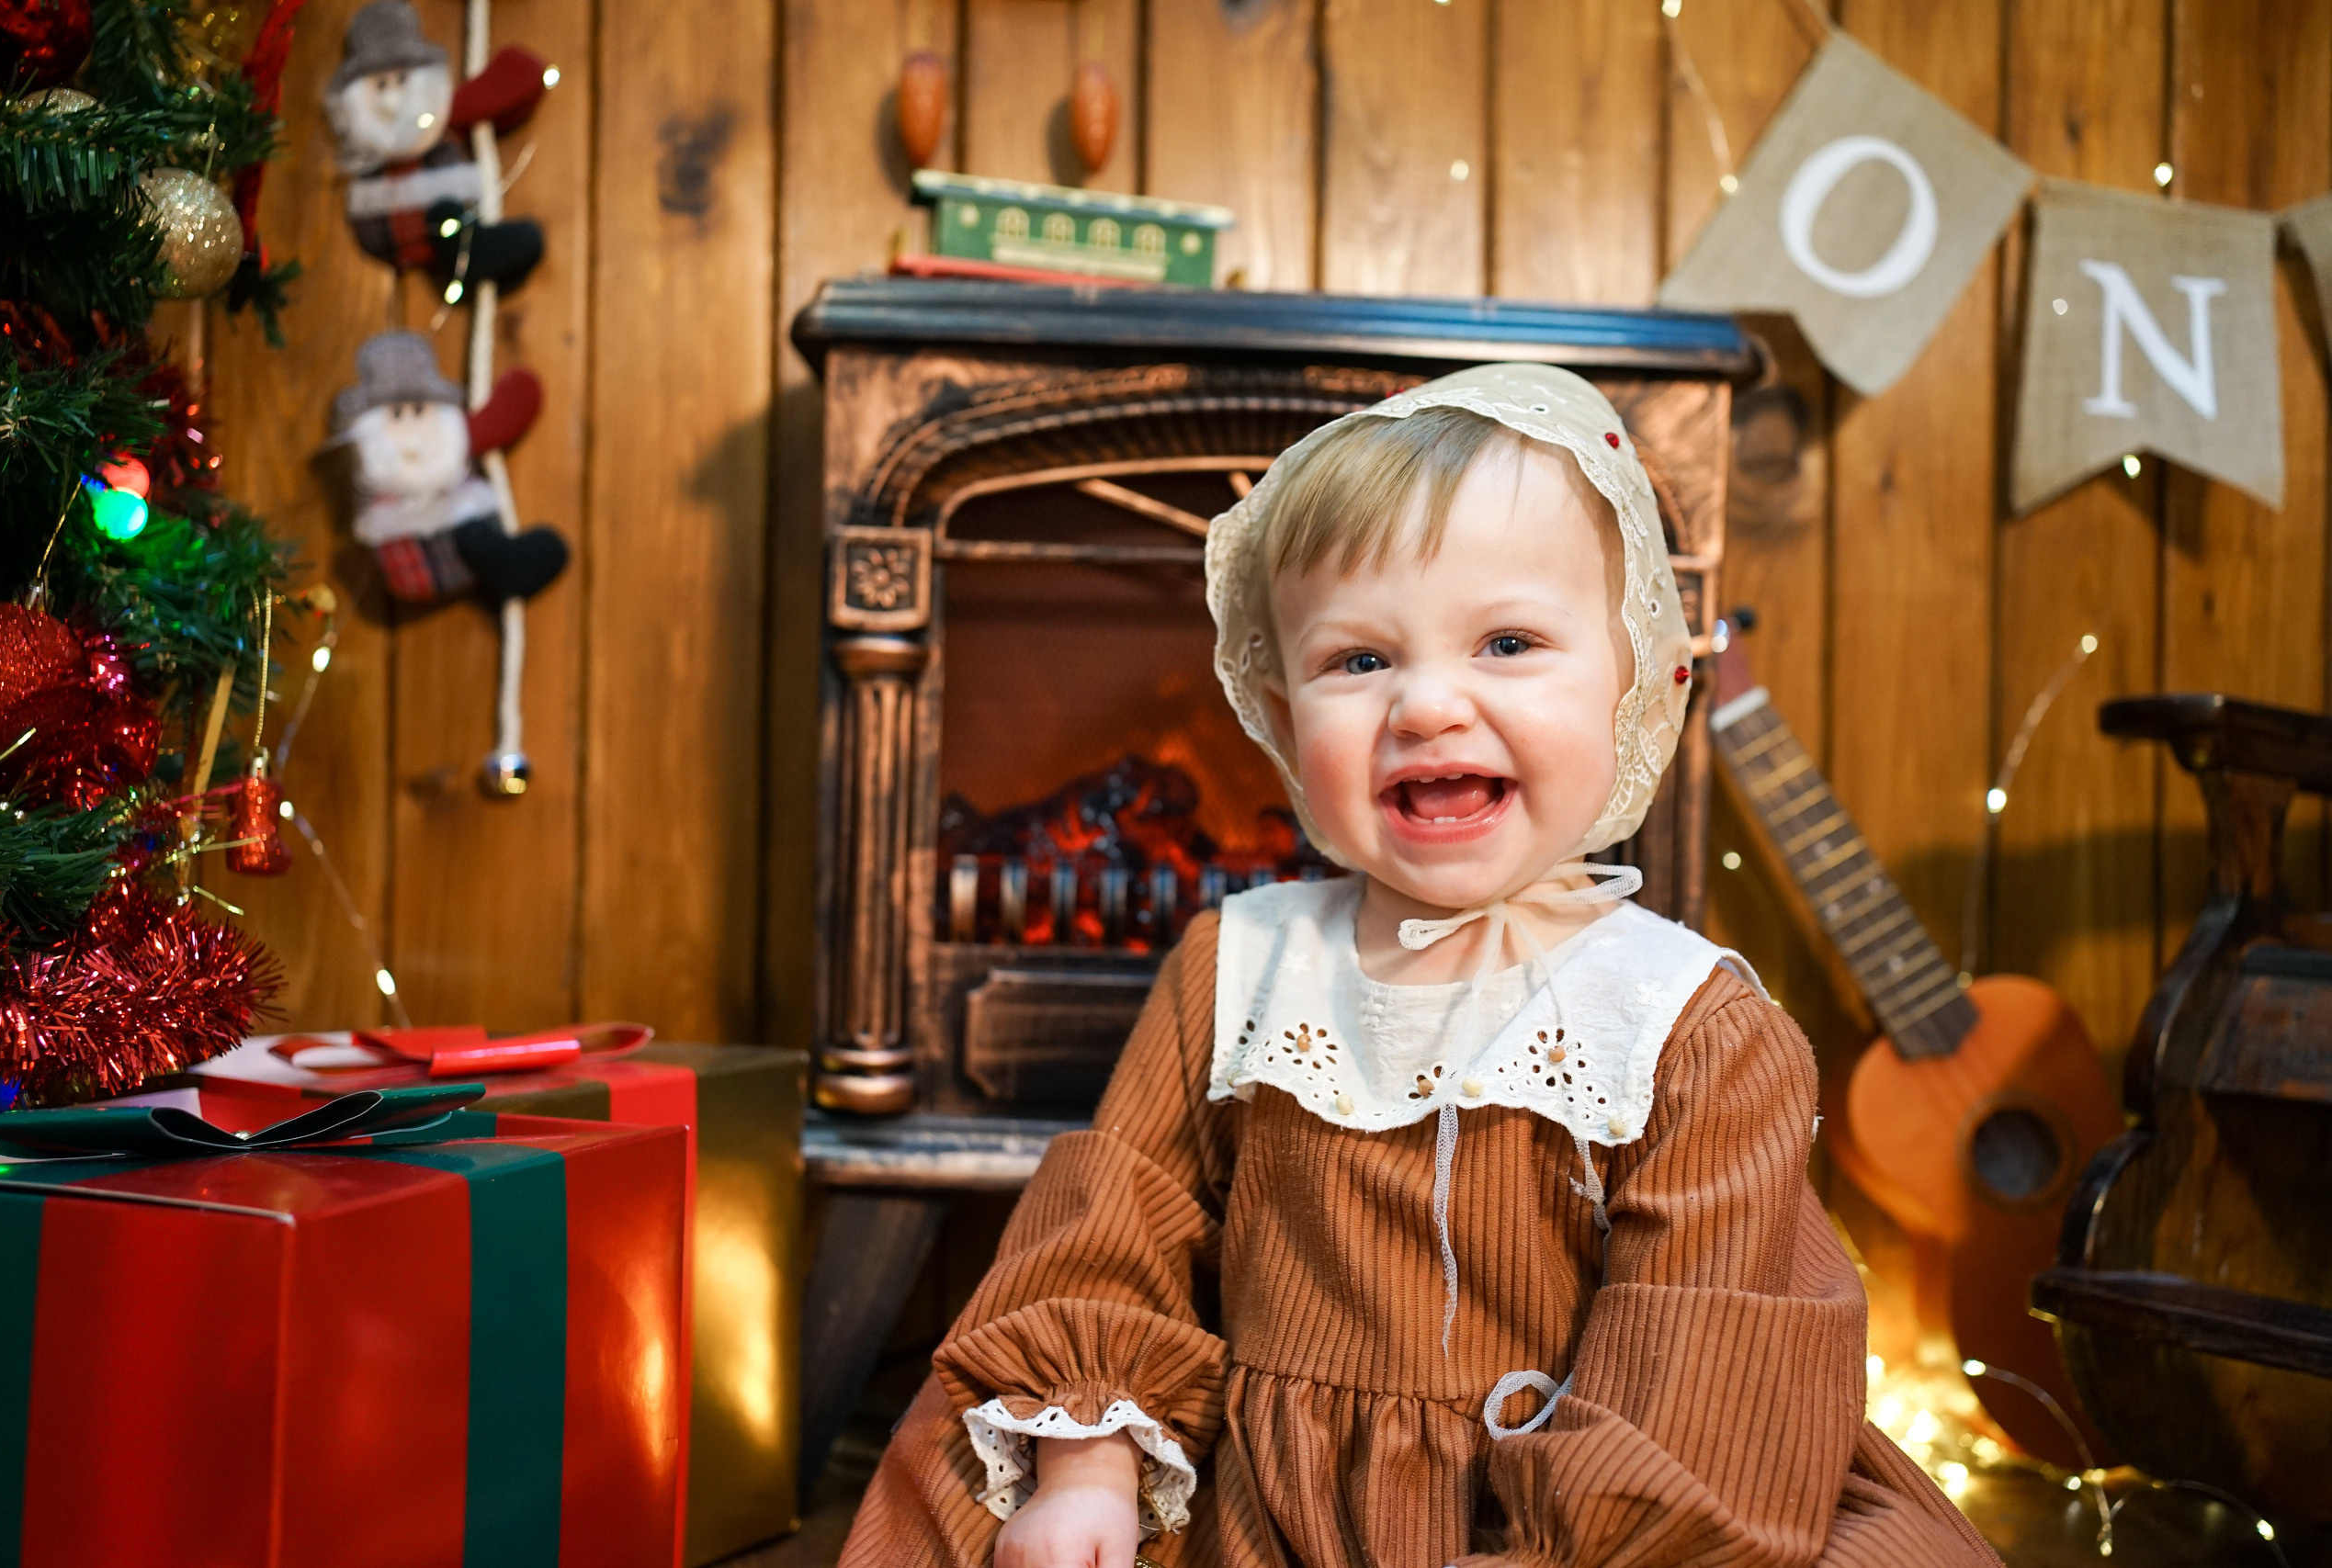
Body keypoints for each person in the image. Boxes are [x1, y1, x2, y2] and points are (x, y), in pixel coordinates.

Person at [839, 364, 2000, 1568]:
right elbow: (1108, 1228)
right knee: (973, 1489)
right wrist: (1087, 1466)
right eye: (1358, 662)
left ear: (1631, 686)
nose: (1430, 704)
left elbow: (1712, 1352)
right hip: (1269, 1501)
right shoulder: (1237, 967)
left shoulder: (1686, 1025)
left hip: (1591, 1514)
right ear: (1286, 725)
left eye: (1509, 642)